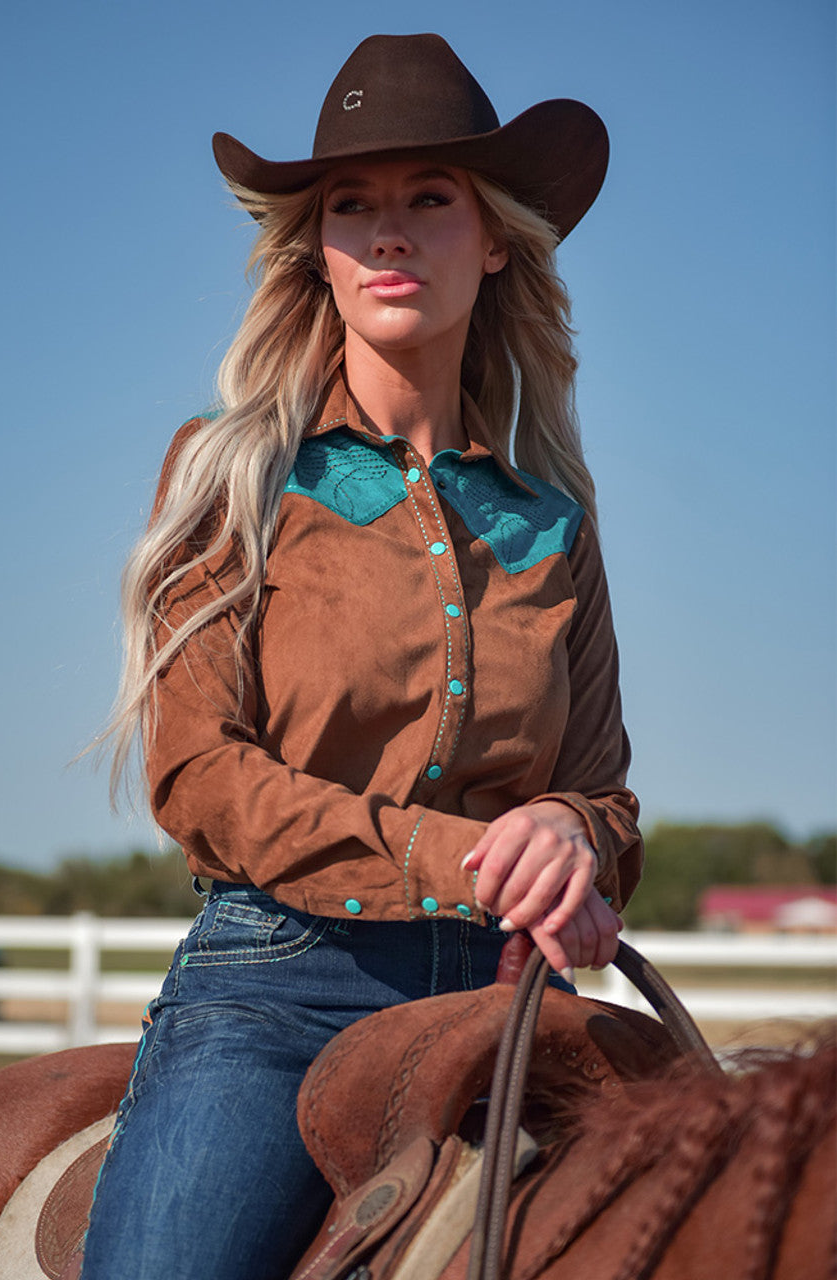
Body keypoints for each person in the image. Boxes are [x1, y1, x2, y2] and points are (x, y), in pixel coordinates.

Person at [80, 32, 642, 1280]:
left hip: (512, 1000)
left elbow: (604, 793)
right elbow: (198, 774)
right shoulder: (236, 474)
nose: (388, 234)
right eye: (353, 207)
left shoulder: (553, 517)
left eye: (427, 200)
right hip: (283, 983)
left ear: (492, 237)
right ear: (318, 251)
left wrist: (568, 830)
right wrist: (460, 852)